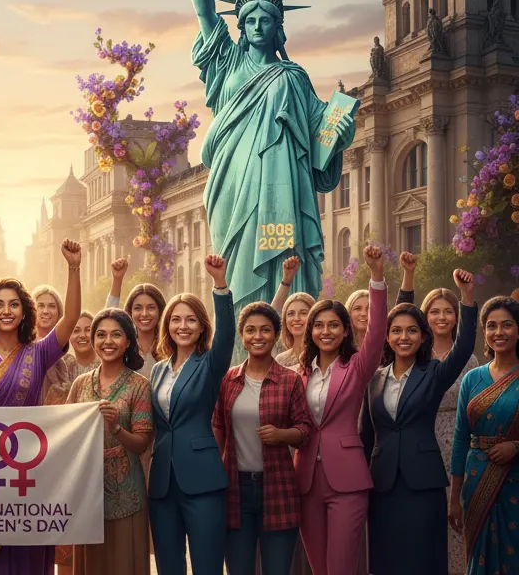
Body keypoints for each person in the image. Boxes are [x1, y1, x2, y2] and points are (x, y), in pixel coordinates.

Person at [188, 0, 355, 324]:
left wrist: (341, 136)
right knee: (235, 269)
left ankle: (289, 347)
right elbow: (204, 11)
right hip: (233, 186)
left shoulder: (294, 77)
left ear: (278, 26)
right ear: (241, 26)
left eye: (266, 20)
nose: (258, 27)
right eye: (251, 21)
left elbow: (322, 132)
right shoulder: (228, 61)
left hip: (281, 196)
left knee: (283, 258)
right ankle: (235, 350)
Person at [0, 238, 83, 575]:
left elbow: (72, 318)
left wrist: (73, 268)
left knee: (28, 556)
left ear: (25, 311)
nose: (6, 311)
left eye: (13, 304)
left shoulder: (38, 352)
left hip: (29, 473)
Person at [360, 269, 477, 575]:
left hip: (423, 483)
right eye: (396, 331)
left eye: (412, 331)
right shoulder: (373, 379)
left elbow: (463, 347)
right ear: (387, 336)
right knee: (386, 560)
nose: (404, 337)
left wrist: (466, 297)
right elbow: (365, 436)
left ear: (423, 336)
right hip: (382, 484)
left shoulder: (435, 373)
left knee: (424, 559)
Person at [295, 246, 387, 575]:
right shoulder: (298, 373)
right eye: (318, 325)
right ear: (311, 332)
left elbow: (376, 334)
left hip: (347, 480)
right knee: (319, 567)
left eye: (333, 325)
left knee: (341, 567)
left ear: (345, 330)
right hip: (305, 480)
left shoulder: (357, 367)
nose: (326, 331)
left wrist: (376, 278)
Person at [147, 254, 234, 575]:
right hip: (162, 485)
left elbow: (226, 336)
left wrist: (220, 284)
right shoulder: (157, 371)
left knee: (207, 566)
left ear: (201, 327)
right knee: (169, 566)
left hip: (202, 481)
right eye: (176, 319)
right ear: (167, 326)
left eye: (190, 320)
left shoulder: (210, 364)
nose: (182, 326)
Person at [395, 253, 480, 574]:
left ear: (457, 318)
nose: (442, 317)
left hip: (459, 448)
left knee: (458, 523)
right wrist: (408, 275)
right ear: (424, 318)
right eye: (434, 311)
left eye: (448, 311)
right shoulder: (414, 357)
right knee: (421, 528)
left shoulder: (468, 360)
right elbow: (398, 317)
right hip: (421, 444)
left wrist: (467, 295)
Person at [213, 302, 312, 575]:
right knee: (239, 569)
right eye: (251, 330)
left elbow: (305, 431)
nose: (258, 336)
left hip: (278, 488)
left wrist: (282, 435)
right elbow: (217, 426)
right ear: (242, 336)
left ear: (276, 334)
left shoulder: (290, 381)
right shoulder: (228, 381)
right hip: (235, 490)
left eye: (265, 330)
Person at [65, 308, 153, 575]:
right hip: (87, 490)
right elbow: (65, 433)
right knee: (91, 564)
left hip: (126, 491)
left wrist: (115, 427)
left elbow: (142, 443)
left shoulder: (139, 385)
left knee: (123, 563)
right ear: (93, 340)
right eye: (101, 335)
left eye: (116, 335)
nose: (108, 341)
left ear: (128, 341)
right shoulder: (80, 384)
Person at [449, 296, 519, 575]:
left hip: (515, 480)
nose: (498, 332)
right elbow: (460, 438)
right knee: (479, 558)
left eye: (507, 325)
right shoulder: (472, 378)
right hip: (476, 480)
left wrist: (516, 446)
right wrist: (454, 498)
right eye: (491, 326)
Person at [106, 257, 166, 379]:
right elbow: (108, 317)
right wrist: (117, 280)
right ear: (130, 312)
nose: (144, 314)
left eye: (151, 308)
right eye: (138, 308)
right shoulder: (124, 345)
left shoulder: (169, 345)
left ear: (161, 311)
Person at [34, 284, 80, 407]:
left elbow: (75, 400)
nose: (46, 311)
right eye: (40, 306)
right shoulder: (22, 350)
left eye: (52, 306)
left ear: (59, 314)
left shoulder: (69, 361)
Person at [274, 293, 315, 370]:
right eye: (291, 314)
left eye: (303, 313)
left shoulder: (322, 357)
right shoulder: (280, 360)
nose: (296, 318)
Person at [71, 311, 100, 376]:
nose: (82, 335)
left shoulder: (106, 366)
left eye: (88, 330)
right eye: (76, 330)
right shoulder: (62, 367)